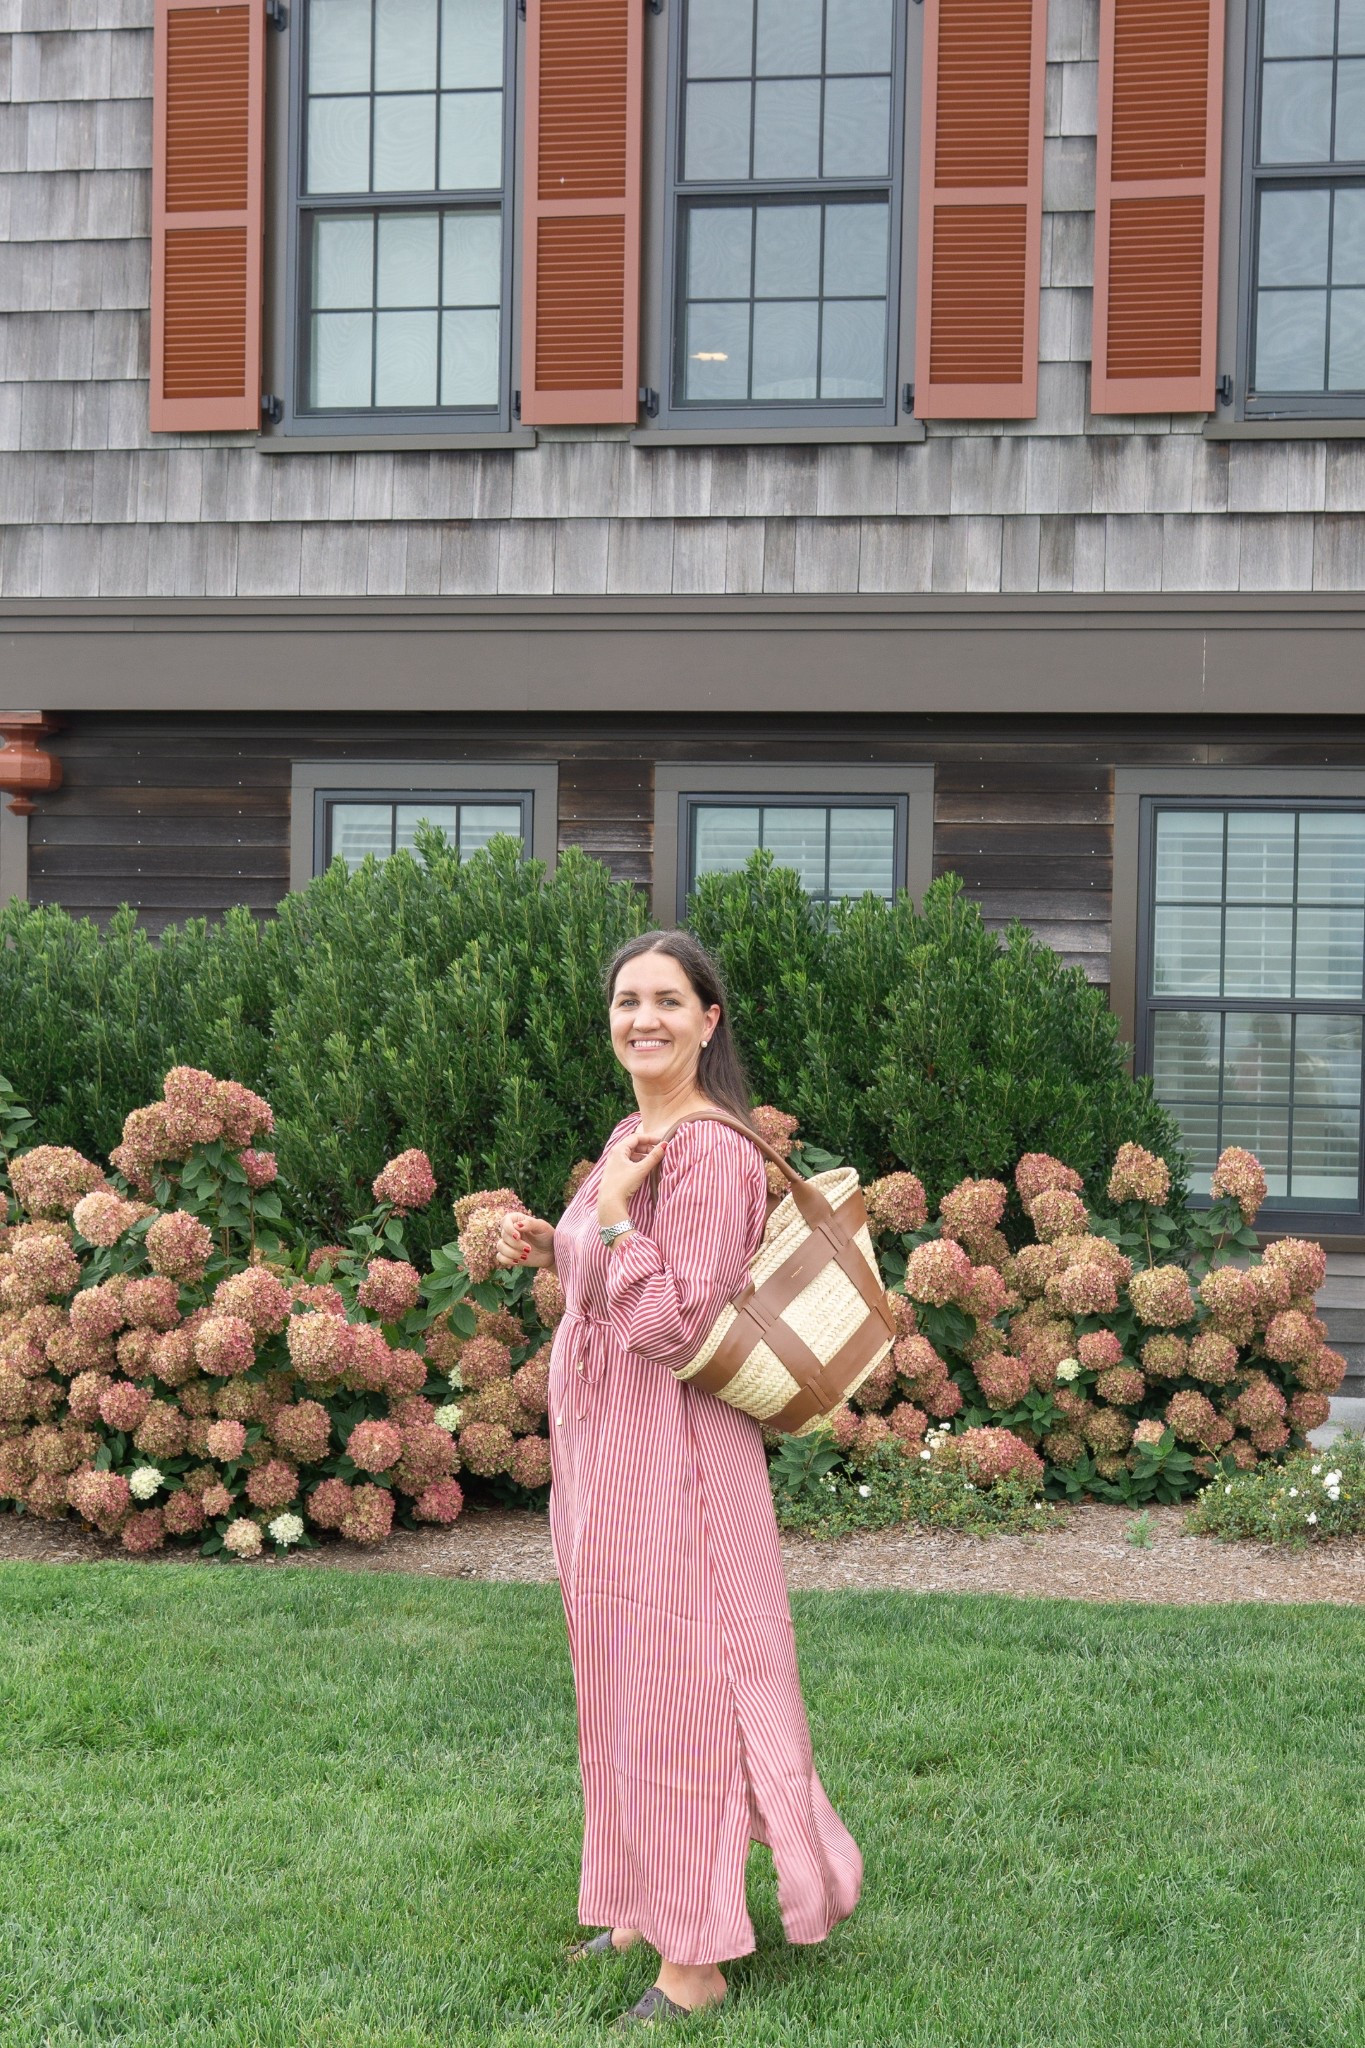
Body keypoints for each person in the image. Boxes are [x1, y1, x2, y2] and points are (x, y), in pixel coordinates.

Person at [496, 930, 861, 2029]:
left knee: (684, 1691)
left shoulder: (708, 1151)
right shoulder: (634, 1133)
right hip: (610, 1451)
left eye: (666, 1000)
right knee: (621, 1676)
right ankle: (640, 1903)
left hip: (676, 1458)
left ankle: (695, 1960)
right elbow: (611, 1277)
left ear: (709, 1019)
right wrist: (555, 1242)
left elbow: (675, 1322)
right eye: (626, 1000)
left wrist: (611, 1220)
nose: (642, 1018)